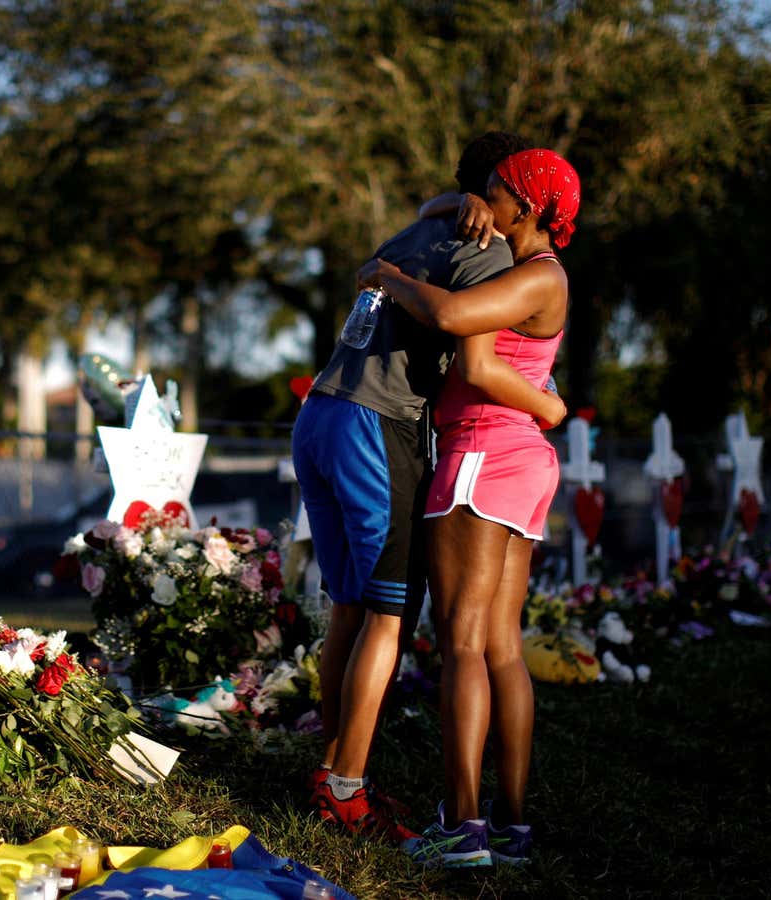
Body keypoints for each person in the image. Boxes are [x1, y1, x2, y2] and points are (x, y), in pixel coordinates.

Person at [294, 131, 567, 845]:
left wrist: (393, 261)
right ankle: (350, 788)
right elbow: (468, 350)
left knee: (354, 607)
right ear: (495, 194)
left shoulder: (423, 229)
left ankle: (335, 772)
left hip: (322, 409)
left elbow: (442, 307)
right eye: (498, 189)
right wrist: (547, 405)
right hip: (381, 425)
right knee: (394, 614)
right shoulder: (490, 249)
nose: (499, 202)